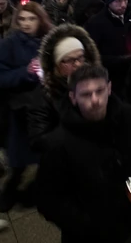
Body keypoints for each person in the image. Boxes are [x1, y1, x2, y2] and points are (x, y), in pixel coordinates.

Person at [37, 65, 131, 243]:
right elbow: (48, 201)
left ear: (109, 88)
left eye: (100, 91)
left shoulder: (127, 115)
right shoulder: (58, 144)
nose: (96, 100)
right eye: (86, 94)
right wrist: (89, 226)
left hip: (125, 225)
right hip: (89, 242)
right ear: (73, 97)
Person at [0, 1, 52, 212]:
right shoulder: (9, 44)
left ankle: (40, 189)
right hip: (21, 109)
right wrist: (24, 73)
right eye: (22, 19)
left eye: (31, 18)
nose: (26, 23)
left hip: (48, 106)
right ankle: (11, 189)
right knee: (19, 158)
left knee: (48, 152)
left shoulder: (49, 39)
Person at [27, 24, 101, 152]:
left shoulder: (97, 84)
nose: (78, 64)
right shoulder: (45, 95)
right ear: (56, 64)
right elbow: (38, 140)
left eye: (80, 58)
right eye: (70, 60)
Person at [84, 0, 131, 93]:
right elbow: (93, 54)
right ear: (109, 2)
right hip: (111, 76)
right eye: (118, 1)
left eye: (125, 0)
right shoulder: (97, 22)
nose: (123, 5)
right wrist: (121, 60)